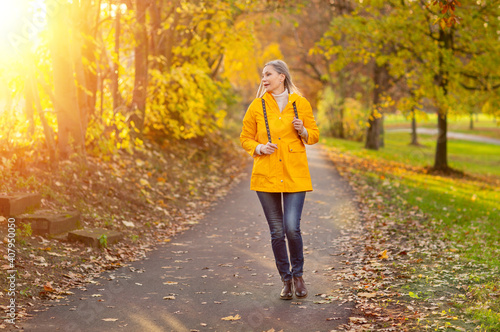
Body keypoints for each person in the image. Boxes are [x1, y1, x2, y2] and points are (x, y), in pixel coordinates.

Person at [240, 60, 319, 300]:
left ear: (281, 76)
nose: (264, 79)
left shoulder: (301, 104)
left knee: (292, 228)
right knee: (276, 232)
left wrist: (303, 131)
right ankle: (285, 280)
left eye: (268, 74)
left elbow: (314, 135)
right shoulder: (257, 106)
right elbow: (245, 138)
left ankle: (298, 276)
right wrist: (260, 147)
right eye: (262, 75)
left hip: (295, 175)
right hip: (267, 176)